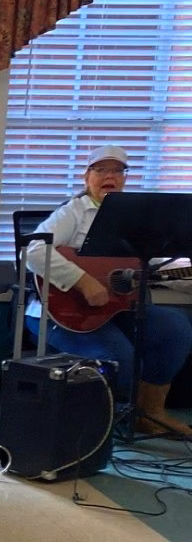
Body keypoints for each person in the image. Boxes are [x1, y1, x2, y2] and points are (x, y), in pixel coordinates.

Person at [25, 145, 192, 437]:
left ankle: (150, 414)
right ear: (86, 177)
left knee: (175, 328)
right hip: (60, 315)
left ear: (125, 178)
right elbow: (34, 251)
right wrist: (83, 281)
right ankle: (100, 427)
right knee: (119, 359)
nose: (109, 176)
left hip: (115, 310)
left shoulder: (134, 217)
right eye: (101, 169)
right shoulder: (73, 212)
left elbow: (149, 267)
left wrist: (182, 279)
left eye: (117, 170)